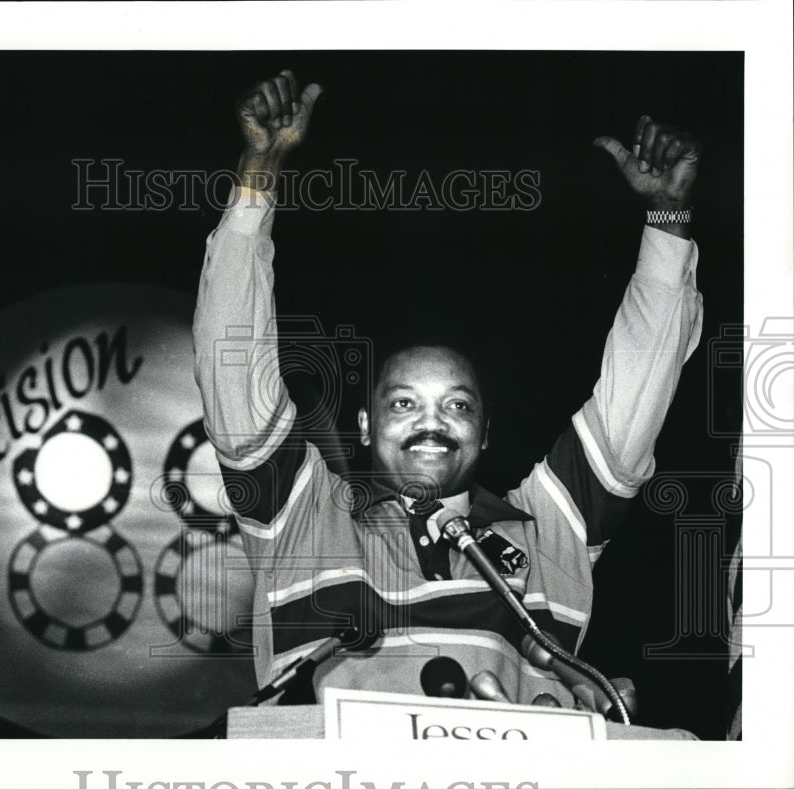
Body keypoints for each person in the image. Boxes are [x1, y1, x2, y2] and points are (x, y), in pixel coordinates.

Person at [192, 70, 703, 706]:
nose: (431, 423)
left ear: (486, 432)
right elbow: (231, 364)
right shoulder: (300, 517)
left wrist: (668, 220)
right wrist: (258, 171)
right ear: (364, 426)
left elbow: (638, 390)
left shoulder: (549, 531)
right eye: (403, 403)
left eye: (456, 406)